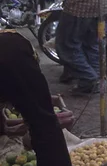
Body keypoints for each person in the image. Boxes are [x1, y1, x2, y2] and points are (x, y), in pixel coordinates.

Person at [0, 31, 72, 166]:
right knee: (43, 122)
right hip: (12, 52)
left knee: (42, 121)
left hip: (11, 52)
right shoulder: (13, 52)